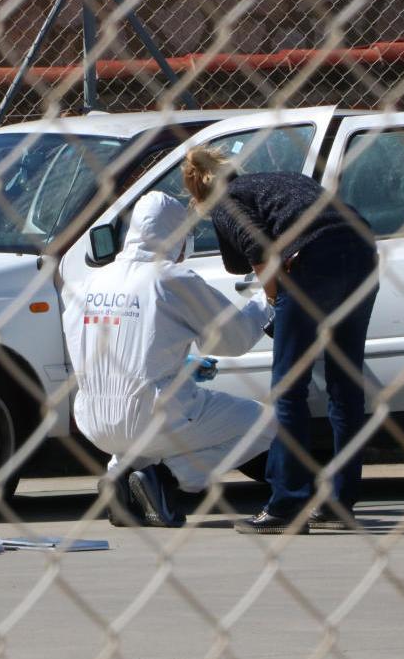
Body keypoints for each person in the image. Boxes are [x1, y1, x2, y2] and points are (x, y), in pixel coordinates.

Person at [181, 146, 378, 534]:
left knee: (289, 388)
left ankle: (286, 506)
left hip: (313, 260)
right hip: (361, 251)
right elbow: (243, 256)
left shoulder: (225, 201)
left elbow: (257, 253)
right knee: (345, 386)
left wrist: (274, 302)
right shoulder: (277, 181)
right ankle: (340, 502)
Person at [63, 191, 275, 527]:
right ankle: (164, 480)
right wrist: (267, 297)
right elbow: (234, 339)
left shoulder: (87, 283)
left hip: (94, 419)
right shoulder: (171, 279)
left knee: (144, 434)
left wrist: (183, 364)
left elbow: (116, 347)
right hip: (153, 415)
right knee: (267, 424)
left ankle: (122, 478)